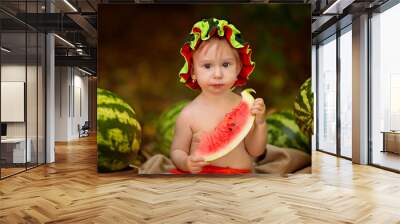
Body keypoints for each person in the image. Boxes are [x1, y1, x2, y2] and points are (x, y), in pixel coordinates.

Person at [169, 18, 267, 174]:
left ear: (238, 68)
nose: (217, 74)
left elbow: (256, 151)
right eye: (207, 66)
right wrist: (185, 162)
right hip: (202, 180)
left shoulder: (245, 108)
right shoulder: (188, 115)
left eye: (226, 65)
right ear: (193, 71)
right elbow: (177, 151)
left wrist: (260, 123)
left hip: (239, 181)